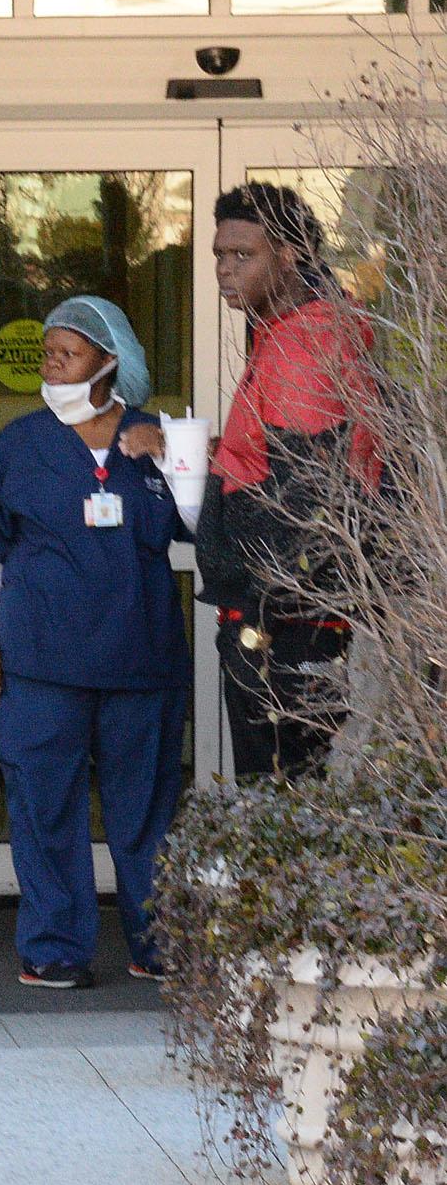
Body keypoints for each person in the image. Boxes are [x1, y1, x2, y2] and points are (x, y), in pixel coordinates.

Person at [0, 297, 189, 991]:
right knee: (43, 806)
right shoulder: (21, 444)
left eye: (67, 354)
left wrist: (178, 457)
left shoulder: (159, 438)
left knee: (144, 810)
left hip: (140, 660)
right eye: (48, 355)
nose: (52, 366)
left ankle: (159, 944)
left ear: (109, 361)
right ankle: (55, 947)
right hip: (40, 661)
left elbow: (202, 526)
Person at [196, 182, 380, 776]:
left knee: (282, 796)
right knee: (287, 795)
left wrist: (249, 587)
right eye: (219, 255)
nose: (225, 270)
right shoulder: (289, 330)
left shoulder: (305, 342)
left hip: (284, 623)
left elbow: (305, 498)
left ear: (290, 254)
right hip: (292, 617)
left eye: (242, 255)